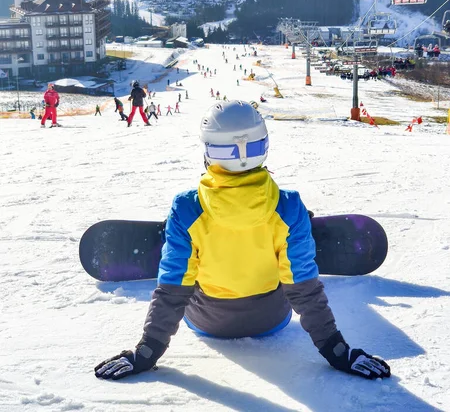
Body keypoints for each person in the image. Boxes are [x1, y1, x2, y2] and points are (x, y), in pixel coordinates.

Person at [95, 100, 391, 382]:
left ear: (210, 150)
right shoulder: (288, 206)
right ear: (263, 147)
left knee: (184, 264)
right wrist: (336, 350)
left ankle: (188, 243)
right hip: (271, 320)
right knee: (294, 265)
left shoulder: (186, 207)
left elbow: (173, 290)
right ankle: (293, 241)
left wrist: (147, 351)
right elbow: (305, 291)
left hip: (205, 322)